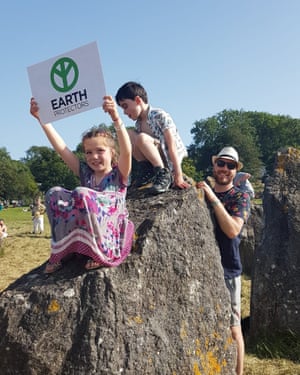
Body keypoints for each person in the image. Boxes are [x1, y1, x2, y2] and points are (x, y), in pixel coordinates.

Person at [30, 96, 134, 274]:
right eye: (88, 152)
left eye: (100, 151)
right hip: (85, 225)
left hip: (108, 230)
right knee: (54, 193)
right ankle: (64, 250)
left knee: (81, 193)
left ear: (112, 152)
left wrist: (116, 119)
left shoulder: (119, 173)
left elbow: (127, 151)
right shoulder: (85, 173)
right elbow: (61, 149)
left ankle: (101, 251)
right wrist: (42, 119)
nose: (94, 157)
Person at [196, 146, 251, 375]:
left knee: (233, 327)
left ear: (235, 170)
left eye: (231, 166)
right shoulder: (199, 192)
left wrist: (212, 197)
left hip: (228, 269)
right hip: (201, 269)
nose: (225, 169)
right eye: (222, 163)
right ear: (214, 164)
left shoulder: (241, 196)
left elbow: (232, 230)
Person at [115, 81, 190, 194]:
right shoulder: (138, 124)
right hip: (154, 160)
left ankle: (164, 174)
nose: (125, 112)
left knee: (142, 138)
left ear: (138, 100)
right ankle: (147, 171)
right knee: (128, 134)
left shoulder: (159, 115)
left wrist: (178, 174)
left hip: (168, 161)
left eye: (125, 106)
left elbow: (172, 145)